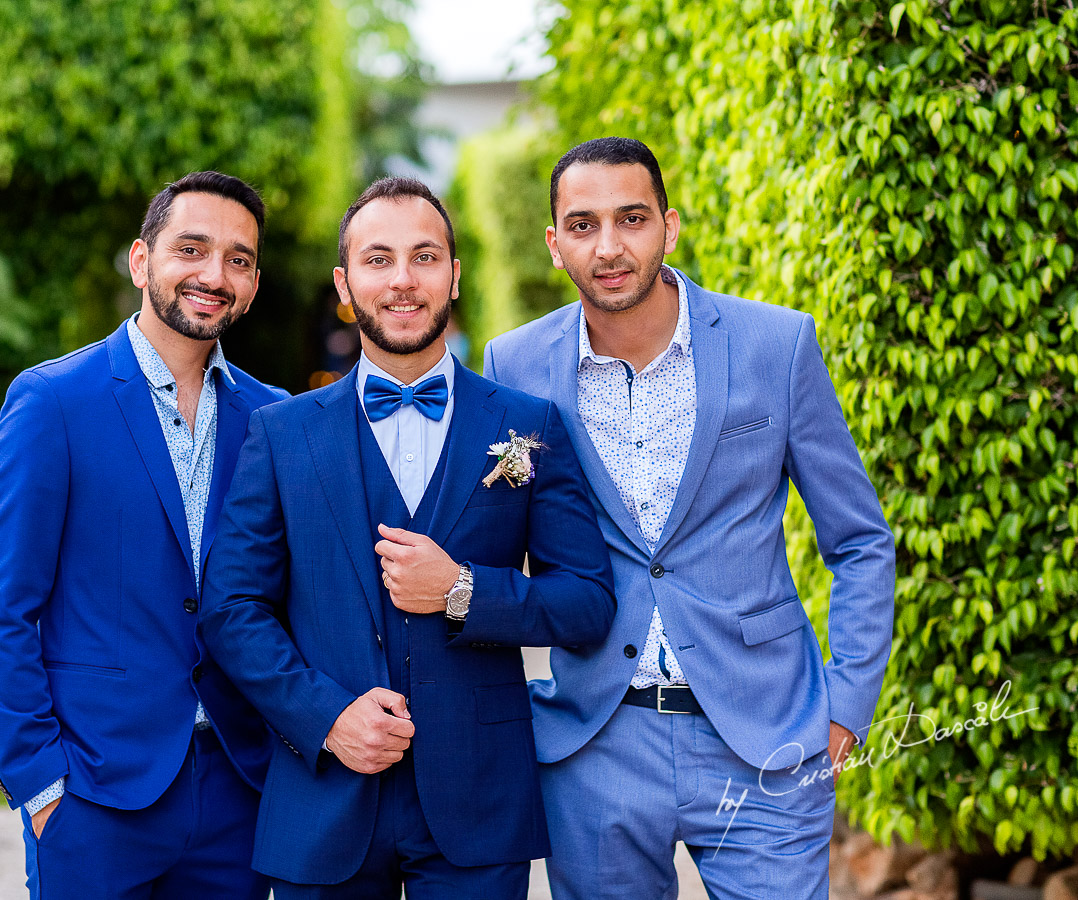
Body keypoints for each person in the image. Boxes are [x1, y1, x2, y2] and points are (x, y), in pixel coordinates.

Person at [484, 137, 896, 900]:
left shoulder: (776, 345)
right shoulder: (516, 364)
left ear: (669, 228)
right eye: (582, 225)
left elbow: (860, 539)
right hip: (595, 745)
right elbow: (497, 548)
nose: (609, 247)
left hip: (765, 733)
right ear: (554, 244)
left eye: (631, 218)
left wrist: (848, 708)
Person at [199, 176, 616, 899]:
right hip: (323, 797)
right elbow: (231, 608)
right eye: (378, 259)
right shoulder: (281, 433)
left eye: (425, 258)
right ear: (346, 281)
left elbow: (585, 600)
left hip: (479, 802)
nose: (402, 281)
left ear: (454, 277)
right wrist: (326, 716)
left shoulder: (527, 426)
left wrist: (463, 591)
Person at [0, 171, 288, 900]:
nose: (214, 274)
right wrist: (41, 787)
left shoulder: (275, 420)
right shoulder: (52, 402)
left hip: (238, 795)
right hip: (92, 796)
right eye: (192, 249)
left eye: (238, 259)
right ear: (142, 261)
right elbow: (1, 611)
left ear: (255, 283)